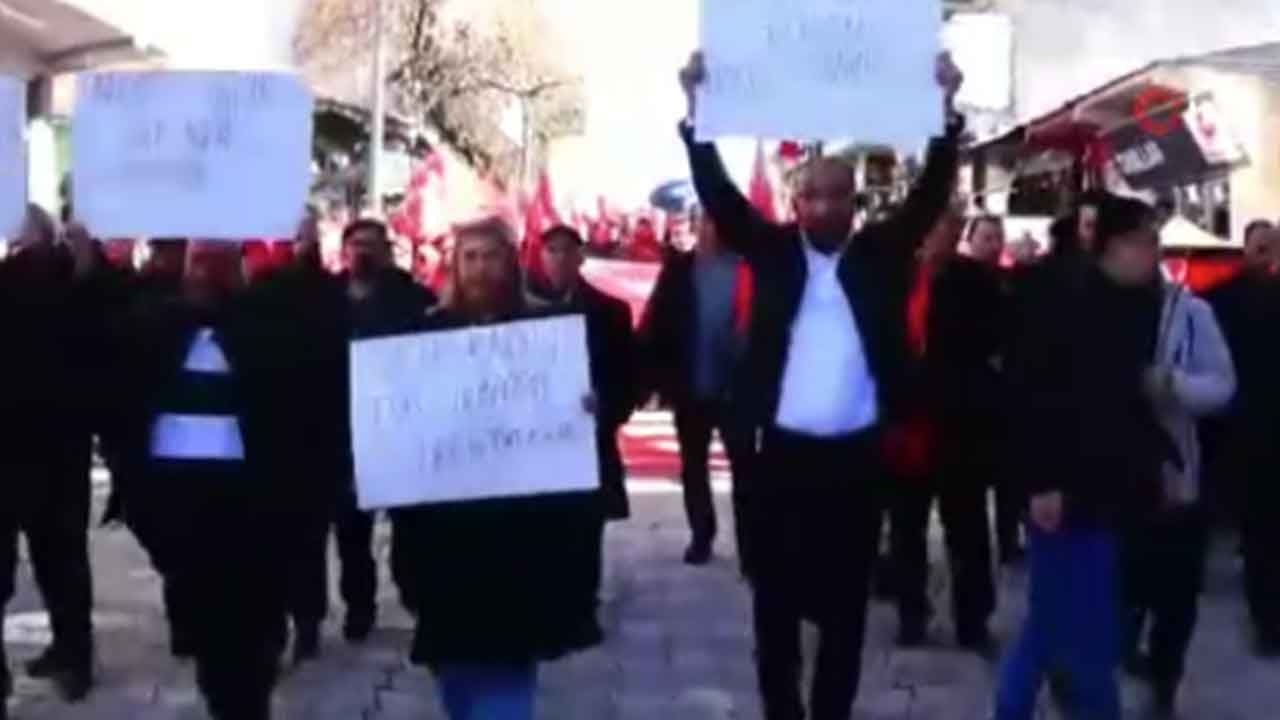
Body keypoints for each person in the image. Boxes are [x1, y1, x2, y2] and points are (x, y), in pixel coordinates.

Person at [678, 50, 963, 719]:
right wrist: (696, 112)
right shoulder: (772, 251)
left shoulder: (880, 254)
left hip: (856, 461)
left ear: (855, 204)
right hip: (778, 457)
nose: (825, 205)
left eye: (837, 194)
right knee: (774, 607)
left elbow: (929, 194)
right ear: (795, 203)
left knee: (845, 611)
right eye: (812, 195)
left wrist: (946, 109)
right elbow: (719, 194)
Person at [391, 218, 604, 720]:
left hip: (517, 532)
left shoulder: (545, 335)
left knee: (507, 669)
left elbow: (581, 409)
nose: (480, 269)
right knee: (455, 672)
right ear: (455, 266)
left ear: (511, 264)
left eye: (490, 256)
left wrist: (585, 406)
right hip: (445, 533)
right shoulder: (425, 334)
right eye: (470, 257)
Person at [996, 194, 1179, 720]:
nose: (1154, 252)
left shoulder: (1140, 303)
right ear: (1114, 245)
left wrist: (1159, 460)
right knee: (1083, 629)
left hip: (1113, 482)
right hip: (1065, 488)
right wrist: (1042, 482)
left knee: (1058, 620)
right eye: (1146, 241)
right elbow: (1032, 396)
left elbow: (1125, 401)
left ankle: (1016, 708)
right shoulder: (1064, 300)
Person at [109, 240, 291, 719]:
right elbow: (120, 406)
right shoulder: (154, 328)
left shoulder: (265, 330)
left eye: (217, 264)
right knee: (206, 622)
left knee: (246, 635)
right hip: (177, 501)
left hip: (248, 504)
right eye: (198, 264)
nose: (206, 275)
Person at [1121, 245, 1236, 717]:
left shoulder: (1192, 313)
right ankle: (1121, 653)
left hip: (1176, 477)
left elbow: (1222, 385)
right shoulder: (1096, 312)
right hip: (1114, 477)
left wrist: (1172, 385)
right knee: (1121, 588)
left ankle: (1164, 678)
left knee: (1175, 595)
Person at [887, 205, 999, 652]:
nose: (943, 238)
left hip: (959, 423)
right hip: (907, 423)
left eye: (951, 229)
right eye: (936, 228)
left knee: (967, 529)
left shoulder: (975, 282)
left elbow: (993, 344)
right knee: (906, 527)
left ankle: (972, 621)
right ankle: (911, 614)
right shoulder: (897, 279)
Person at [0, 206, 99, 708]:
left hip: (22, 444)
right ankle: (73, 655)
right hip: (60, 445)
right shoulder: (77, 284)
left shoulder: (20, 283)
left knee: (41, 561)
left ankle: (65, 656)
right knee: (63, 560)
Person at [250, 210, 351, 664]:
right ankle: (276, 623)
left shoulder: (333, 296)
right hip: (272, 435)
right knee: (272, 539)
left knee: (309, 538)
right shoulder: (260, 294)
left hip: (317, 436)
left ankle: (307, 620)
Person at [336, 219, 437, 634]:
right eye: (356, 243)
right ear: (344, 250)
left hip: (401, 428)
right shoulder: (326, 300)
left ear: (387, 251)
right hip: (345, 431)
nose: (363, 251)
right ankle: (359, 606)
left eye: (372, 244)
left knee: (411, 526)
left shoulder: (414, 298)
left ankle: (415, 595)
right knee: (351, 531)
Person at [639, 212, 754, 567]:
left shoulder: (748, 269)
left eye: (716, 222)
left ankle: (751, 548)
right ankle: (701, 536)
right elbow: (655, 322)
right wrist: (649, 379)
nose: (710, 229)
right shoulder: (679, 270)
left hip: (737, 390)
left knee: (746, 471)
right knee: (693, 466)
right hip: (690, 386)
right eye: (704, 222)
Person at [1205, 219, 1280, 654]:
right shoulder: (1222, 300)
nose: (1267, 255)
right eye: (1260, 247)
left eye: (1273, 247)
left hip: (1260, 426)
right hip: (1246, 430)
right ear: (1246, 250)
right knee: (1259, 531)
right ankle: (1267, 622)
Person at [536, 224, 636, 522]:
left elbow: (627, 379)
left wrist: (603, 404)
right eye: (552, 250)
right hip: (535, 448)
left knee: (587, 530)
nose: (559, 258)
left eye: (567, 250)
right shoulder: (522, 313)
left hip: (590, 445)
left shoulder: (612, 313)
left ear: (580, 257)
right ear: (541, 257)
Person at [964, 215, 1023, 564]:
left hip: (1004, 392)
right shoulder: (956, 282)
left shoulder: (1008, 281)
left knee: (1008, 475)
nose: (993, 244)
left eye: (997, 237)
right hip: (970, 392)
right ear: (970, 241)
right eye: (986, 237)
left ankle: (1008, 539)